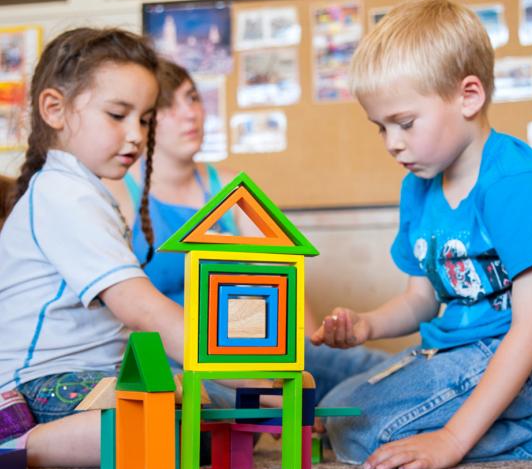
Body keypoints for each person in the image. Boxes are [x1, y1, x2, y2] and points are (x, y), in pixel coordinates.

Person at [312, 0, 532, 469]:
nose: (392, 143)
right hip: (458, 347)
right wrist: (367, 325)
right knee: (332, 409)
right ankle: (518, 421)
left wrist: (451, 440)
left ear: (469, 96)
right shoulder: (418, 185)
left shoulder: (519, 184)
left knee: (362, 432)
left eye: (404, 123)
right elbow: (420, 301)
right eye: (379, 128)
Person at [105, 58, 386, 405]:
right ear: (146, 119)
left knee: (369, 370)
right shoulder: (121, 193)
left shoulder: (228, 187)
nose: (190, 113)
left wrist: (304, 347)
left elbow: (283, 270)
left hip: (255, 347)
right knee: (212, 405)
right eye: (168, 105)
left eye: (192, 98)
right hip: (175, 357)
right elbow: (126, 316)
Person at [0, 28, 186, 467]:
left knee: (211, 412)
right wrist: (224, 362)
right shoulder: (64, 195)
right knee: (173, 426)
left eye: (144, 119)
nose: (137, 135)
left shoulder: (83, 191)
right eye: (118, 115)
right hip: (39, 386)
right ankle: (18, 442)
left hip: (95, 377)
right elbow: (139, 307)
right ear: (55, 110)